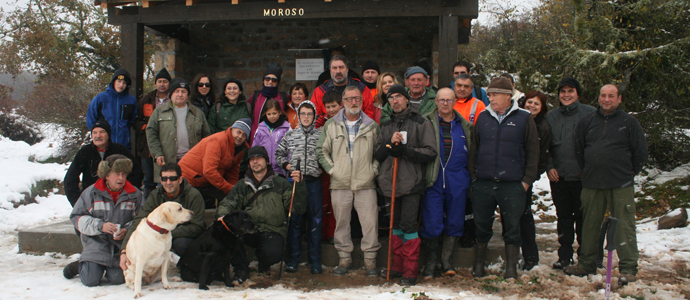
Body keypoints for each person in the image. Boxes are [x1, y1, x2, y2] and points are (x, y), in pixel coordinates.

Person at [565, 84, 648, 286]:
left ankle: (628, 268)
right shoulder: (587, 121)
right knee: (589, 225)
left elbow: (640, 154)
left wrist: (627, 173)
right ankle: (586, 263)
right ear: (598, 98)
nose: (606, 99)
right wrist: (590, 170)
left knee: (624, 226)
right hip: (592, 182)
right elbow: (579, 150)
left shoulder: (629, 123)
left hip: (621, 184)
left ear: (619, 99)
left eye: (611, 96)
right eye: (603, 95)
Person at [468, 77, 539, 279]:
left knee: (512, 228)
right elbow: (474, 149)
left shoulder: (525, 118)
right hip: (484, 183)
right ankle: (478, 265)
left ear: (508, 96)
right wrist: (474, 177)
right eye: (489, 94)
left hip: (513, 185)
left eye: (495, 94)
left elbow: (533, 153)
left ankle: (511, 269)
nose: (490, 98)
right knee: (481, 226)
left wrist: (526, 182)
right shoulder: (482, 117)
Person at [374, 84, 437, 285]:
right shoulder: (386, 125)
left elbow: (430, 152)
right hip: (389, 184)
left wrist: (405, 151)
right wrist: (390, 146)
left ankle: (410, 271)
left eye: (399, 97)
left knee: (409, 227)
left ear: (406, 99)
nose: (395, 101)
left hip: (411, 184)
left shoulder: (421, 122)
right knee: (394, 227)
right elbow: (377, 153)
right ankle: (395, 266)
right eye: (391, 98)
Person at [317, 86, 381, 276]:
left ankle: (370, 262)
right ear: (343, 102)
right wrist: (333, 170)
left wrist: (373, 170)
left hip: (365, 183)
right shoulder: (331, 125)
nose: (353, 102)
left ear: (362, 101)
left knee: (370, 223)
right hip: (340, 183)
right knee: (341, 223)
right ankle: (344, 259)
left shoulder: (371, 125)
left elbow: (379, 153)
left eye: (357, 98)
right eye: (349, 99)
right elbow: (321, 150)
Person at [216, 146, 306, 281]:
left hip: (272, 230)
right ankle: (241, 269)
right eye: (251, 159)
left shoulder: (280, 183)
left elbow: (297, 208)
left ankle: (264, 265)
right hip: (247, 229)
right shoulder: (242, 185)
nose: (255, 162)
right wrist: (223, 215)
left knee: (272, 253)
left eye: (258, 158)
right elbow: (227, 204)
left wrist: (299, 186)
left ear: (267, 161)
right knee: (230, 236)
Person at [63, 155, 144, 286]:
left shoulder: (135, 194)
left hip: (120, 247)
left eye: (124, 174)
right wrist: (100, 226)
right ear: (106, 175)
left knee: (118, 279)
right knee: (91, 280)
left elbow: (141, 220)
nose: (121, 178)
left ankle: (99, 266)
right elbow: (77, 217)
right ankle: (80, 266)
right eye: (116, 174)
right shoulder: (91, 193)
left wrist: (127, 231)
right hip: (96, 243)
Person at [420, 88, 472, 278]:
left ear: (454, 102)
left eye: (448, 100)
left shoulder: (464, 125)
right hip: (433, 177)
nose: (445, 103)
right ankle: (431, 262)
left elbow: (471, 151)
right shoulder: (427, 122)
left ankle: (447, 260)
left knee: (455, 219)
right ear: (436, 102)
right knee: (431, 220)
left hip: (457, 178)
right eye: (441, 100)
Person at [545, 77, 596, 270]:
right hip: (559, 177)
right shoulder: (552, 116)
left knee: (584, 219)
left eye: (570, 91)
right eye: (563, 91)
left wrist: (589, 168)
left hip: (583, 177)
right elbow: (545, 146)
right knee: (564, 218)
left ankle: (586, 257)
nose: (566, 95)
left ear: (578, 93)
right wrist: (549, 166)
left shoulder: (590, 114)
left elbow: (595, 145)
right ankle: (564, 256)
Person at [120, 163, 205, 266]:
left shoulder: (193, 195)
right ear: (160, 180)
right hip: (159, 236)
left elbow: (197, 226)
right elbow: (139, 220)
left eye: (172, 178)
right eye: (164, 179)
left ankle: (185, 267)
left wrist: (166, 232)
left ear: (180, 179)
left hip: (182, 236)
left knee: (181, 244)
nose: (168, 182)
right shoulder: (155, 195)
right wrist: (124, 250)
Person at [275, 100, 324, 274]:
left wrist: (322, 168)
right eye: (302, 113)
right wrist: (288, 167)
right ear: (298, 115)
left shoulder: (320, 135)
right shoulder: (291, 134)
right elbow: (279, 154)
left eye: (309, 114)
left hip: (314, 183)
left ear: (314, 116)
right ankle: (293, 260)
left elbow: (328, 155)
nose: (306, 117)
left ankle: (315, 261)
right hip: (295, 183)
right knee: (294, 222)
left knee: (315, 222)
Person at [146, 78, 211, 184]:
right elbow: (151, 133)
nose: (180, 94)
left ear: (188, 95)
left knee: (190, 192)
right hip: (167, 161)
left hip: (191, 162)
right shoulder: (159, 112)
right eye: (177, 91)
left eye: (183, 91)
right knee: (168, 193)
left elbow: (207, 137)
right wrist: (157, 153)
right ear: (171, 94)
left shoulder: (198, 113)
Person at [64, 120, 142, 207]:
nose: (98, 136)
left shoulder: (120, 150)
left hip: (119, 200)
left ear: (108, 134)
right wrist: (77, 203)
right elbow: (70, 180)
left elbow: (136, 173)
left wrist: (128, 195)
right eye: (95, 133)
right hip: (92, 200)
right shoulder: (85, 152)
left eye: (102, 132)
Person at [179, 119, 251, 208]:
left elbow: (233, 172)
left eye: (244, 135)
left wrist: (233, 189)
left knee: (233, 196)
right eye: (238, 132)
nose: (240, 136)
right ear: (231, 129)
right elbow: (209, 171)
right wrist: (228, 188)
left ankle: (224, 217)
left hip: (206, 180)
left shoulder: (240, 149)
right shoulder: (217, 141)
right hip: (189, 178)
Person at [517, 90, 552, 270]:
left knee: (524, 216)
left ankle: (531, 257)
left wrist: (532, 177)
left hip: (526, 177)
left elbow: (542, 156)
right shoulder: (517, 119)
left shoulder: (543, 127)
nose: (532, 106)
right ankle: (512, 254)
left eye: (536, 104)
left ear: (542, 108)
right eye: (529, 102)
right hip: (510, 174)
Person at [134, 68, 171, 199]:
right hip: (147, 147)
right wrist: (148, 128)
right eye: (159, 81)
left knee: (166, 179)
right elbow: (136, 122)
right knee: (148, 181)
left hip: (167, 146)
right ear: (155, 83)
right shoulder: (146, 100)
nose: (162, 84)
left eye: (165, 81)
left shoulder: (173, 100)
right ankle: (147, 208)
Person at [311, 55, 375, 125]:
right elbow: (313, 115)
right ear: (330, 70)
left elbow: (369, 114)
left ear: (347, 69)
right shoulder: (319, 91)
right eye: (334, 68)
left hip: (357, 131)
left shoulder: (361, 89)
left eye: (341, 67)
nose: (338, 71)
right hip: (329, 132)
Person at [86, 69, 138, 151]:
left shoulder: (131, 101)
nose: (121, 85)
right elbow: (91, 119)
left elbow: (132, 120)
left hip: (123, 144)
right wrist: (98, 134)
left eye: (124, 83)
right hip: (103, 145)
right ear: (113, 81)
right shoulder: (100, 98)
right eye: (119, 81)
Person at [248, 62, 289, 140]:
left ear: (278, 82)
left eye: (274, 80)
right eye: (267, 78)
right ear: (263, 80)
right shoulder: (255, 96)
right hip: (257, 138)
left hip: (278, 140)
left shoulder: (284, 97)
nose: (270, 82)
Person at [251, 99, 290, 177]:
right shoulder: (261, 128)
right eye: (269, 114)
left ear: (280, 112)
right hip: (263, 169)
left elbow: (290, 149)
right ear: (265, 114)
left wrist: (288, 166)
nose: (272, 116)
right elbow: (255, 147)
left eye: (274, 113)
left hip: (281, 170)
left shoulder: (287, 128)